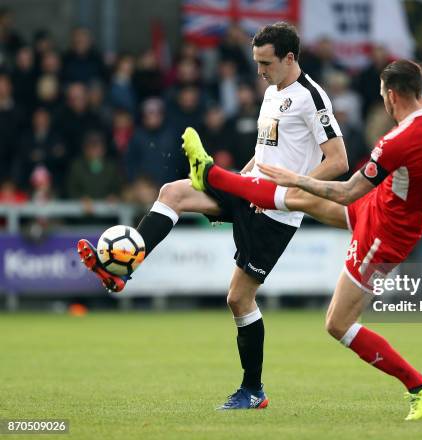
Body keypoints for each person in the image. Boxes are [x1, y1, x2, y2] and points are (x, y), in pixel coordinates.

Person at [181, 59, 422, 420]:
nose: (383, 102)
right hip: (379, 207)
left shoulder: (397, 140)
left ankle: (420, 385)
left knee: (338, 323)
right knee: (299, 200)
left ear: (392, 96)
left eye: (382, 96)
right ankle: (213, 176)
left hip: (385, 235)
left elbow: (347, 192)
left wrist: (297, 177)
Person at [77, 23, 348, 409]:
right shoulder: (271, 92)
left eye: (266, 63)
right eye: (256, 63)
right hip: (249, 190)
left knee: (238, 300)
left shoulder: (312, 97)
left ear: (290, 58)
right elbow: (265, 152)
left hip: (276, 214)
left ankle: (253, 391)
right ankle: (124, 266)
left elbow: (337, 161)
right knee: (173, 192)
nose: (260, 71)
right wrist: (242, 181)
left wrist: (286, 192)